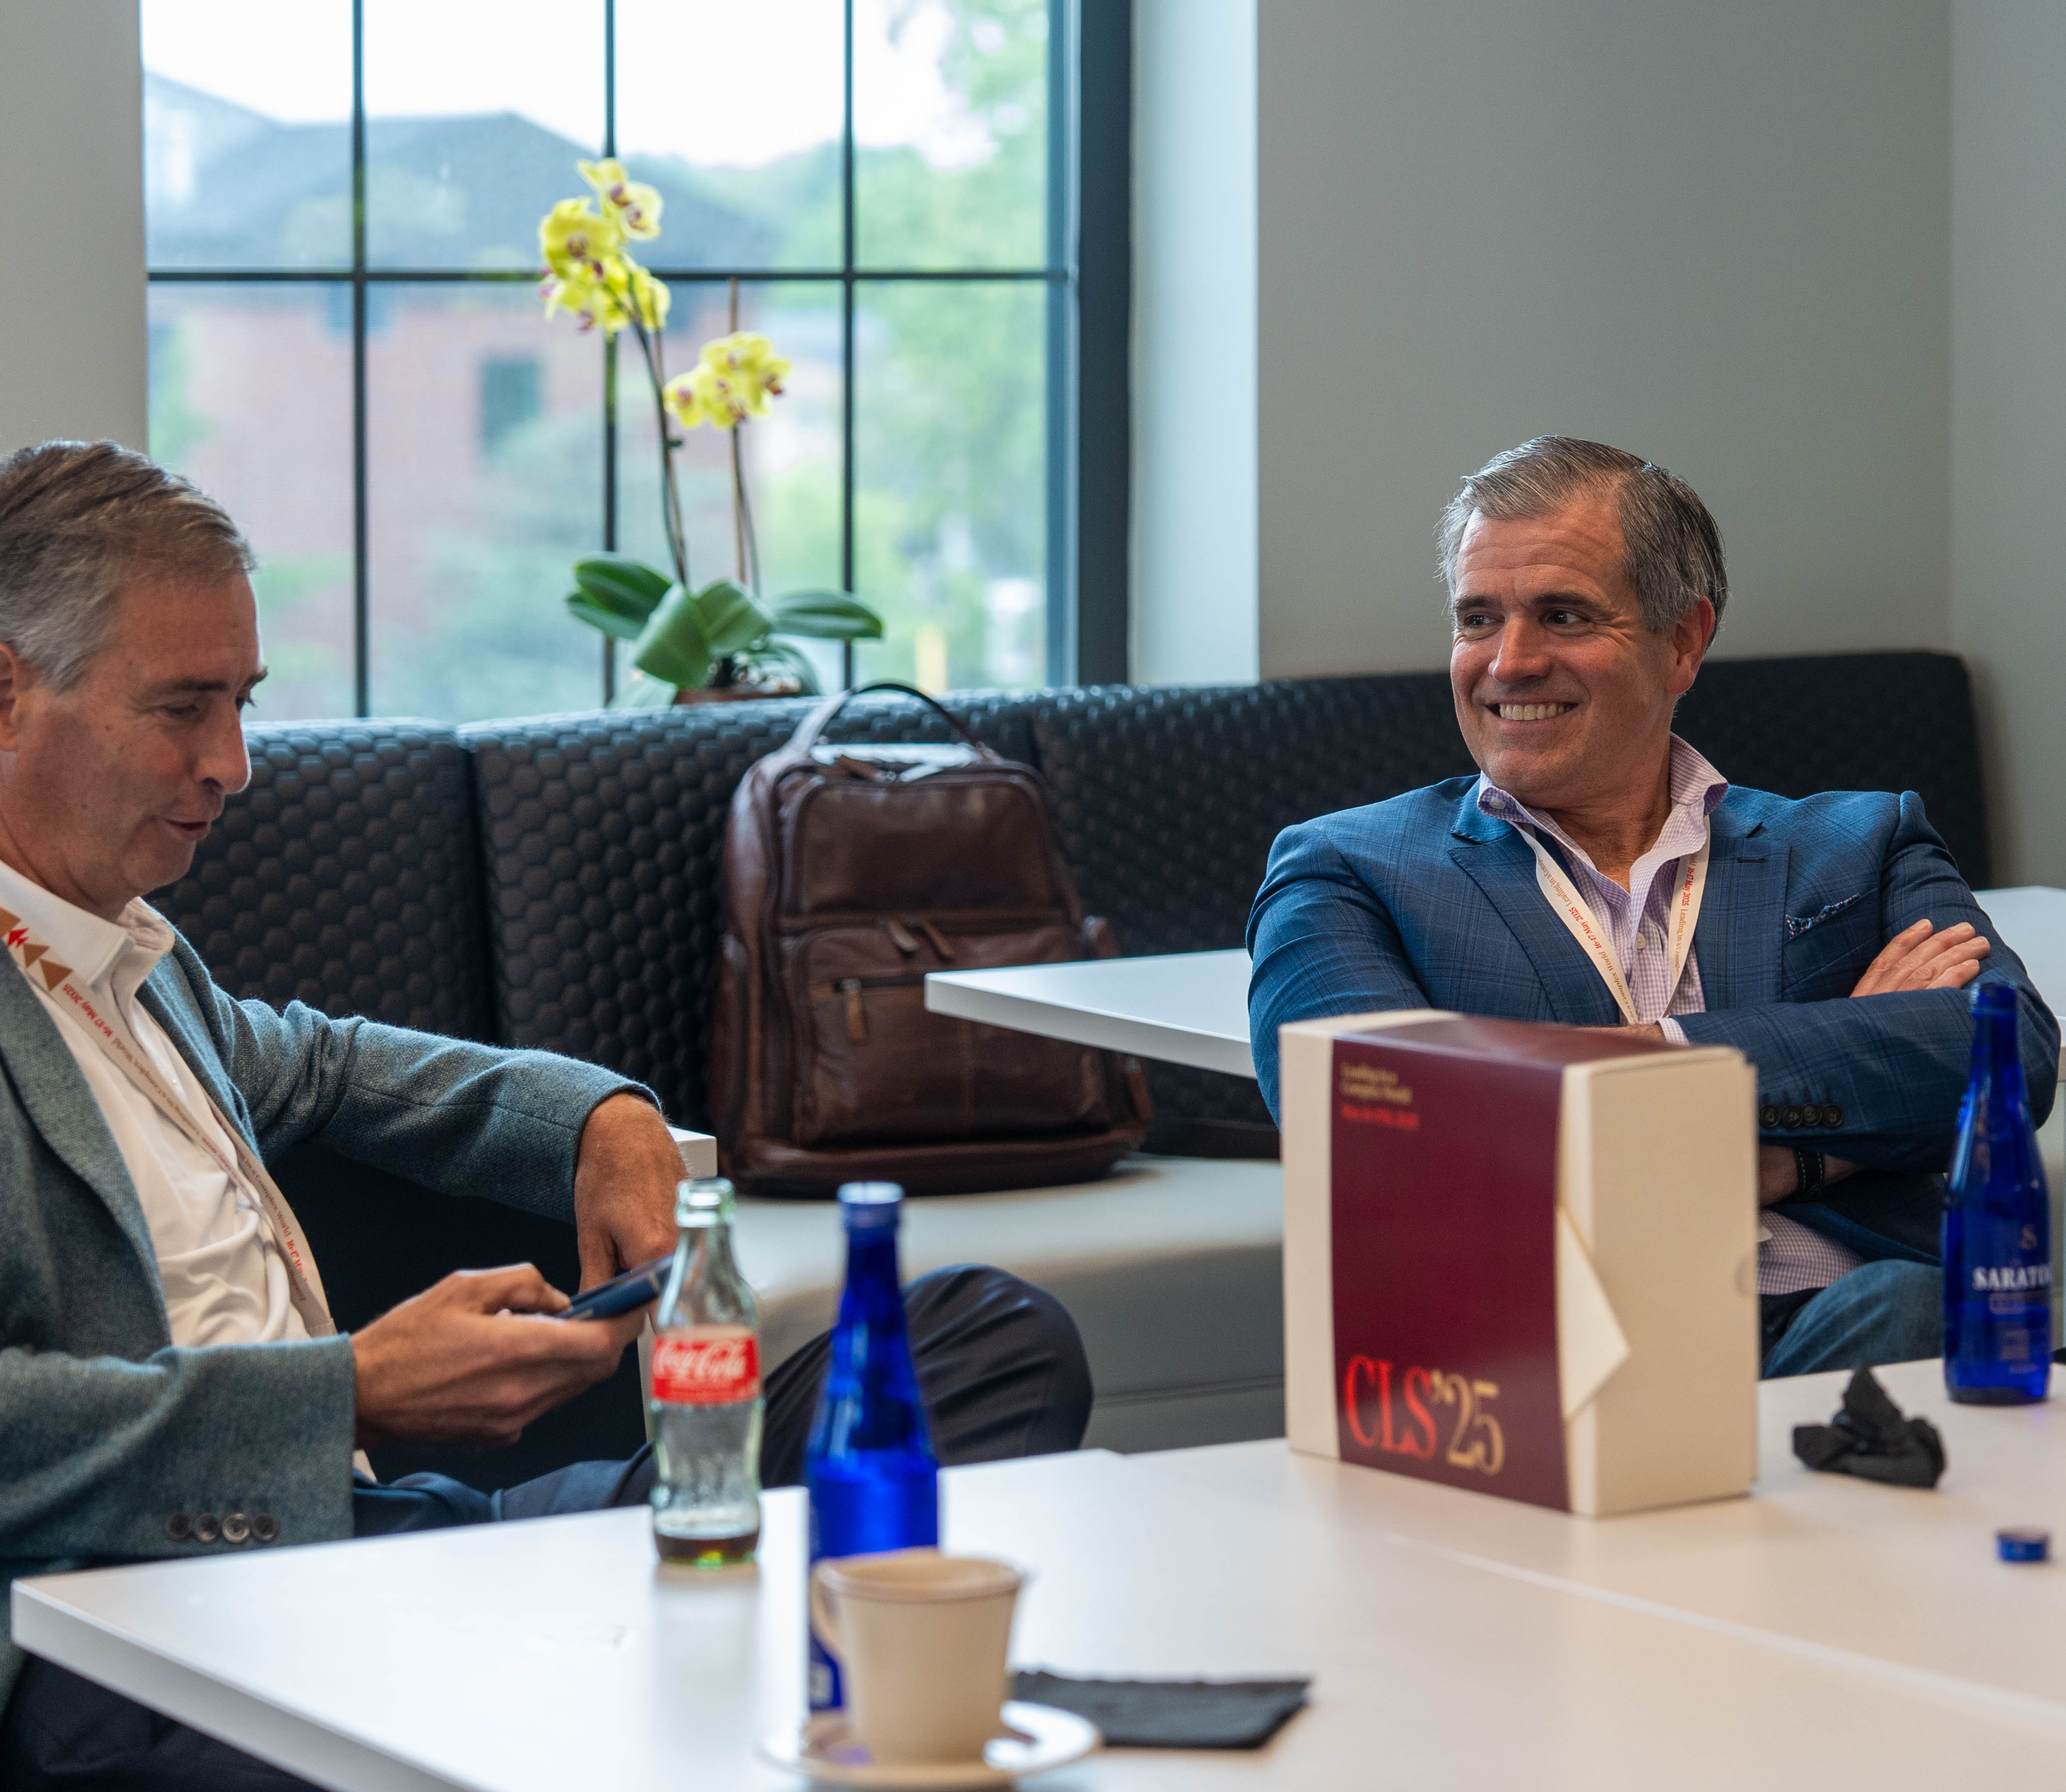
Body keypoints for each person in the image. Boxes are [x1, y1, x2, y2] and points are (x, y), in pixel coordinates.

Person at [0, 442, 1092, 1791]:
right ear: (7, 691)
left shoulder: (128, 962)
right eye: (182, 707)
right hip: (131, 1641)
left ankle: (717, 1709)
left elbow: (331, 1065)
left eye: (244, 703)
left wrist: (604, 1121)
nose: (233, 762)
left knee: (990, 1342)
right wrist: (351, 1392)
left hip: (386, 1553)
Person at [1249, 435, 2057, 1381]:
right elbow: (1395, 1145)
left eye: (1563, 616)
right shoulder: (1347, 871)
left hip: (1844, 1315)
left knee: (1909, 1310)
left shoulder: (1861, 844)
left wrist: (1638, 1062)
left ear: (1682, 642)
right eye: (1478, 619)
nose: (1510, 662)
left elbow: (2009, 1055)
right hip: (1547, 1362)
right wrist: (1807, 1143)